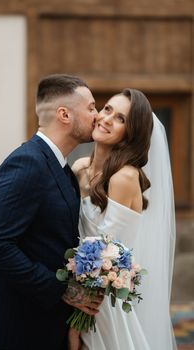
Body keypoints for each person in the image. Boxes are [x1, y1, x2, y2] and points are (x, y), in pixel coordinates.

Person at [0, 74, 103, 350]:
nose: (97, 115)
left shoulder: (61, 166)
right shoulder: (27, 163)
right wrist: (61, 290)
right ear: (64, 114)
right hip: (14, 328)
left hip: (39, 323)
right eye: (90, 107)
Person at [71, 88, 177, 349]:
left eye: (120, 119)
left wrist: (77, 320)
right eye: (107, 109)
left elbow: (107, 251)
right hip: (74, 290)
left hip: (100, 298)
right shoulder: (79, 168)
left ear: (130, 134)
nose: (107, 119)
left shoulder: (124, 177)